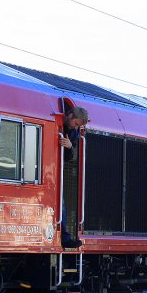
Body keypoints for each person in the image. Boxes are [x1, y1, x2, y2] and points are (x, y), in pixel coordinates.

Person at [60, 106, 89, 248]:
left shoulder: (74, 132)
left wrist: (70, 147)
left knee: (62, 205)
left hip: (56, 172)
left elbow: (70, 157)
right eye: (76, 123)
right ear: (69, 115)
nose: (76, 127)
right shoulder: (61, 122)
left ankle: (64, 238)